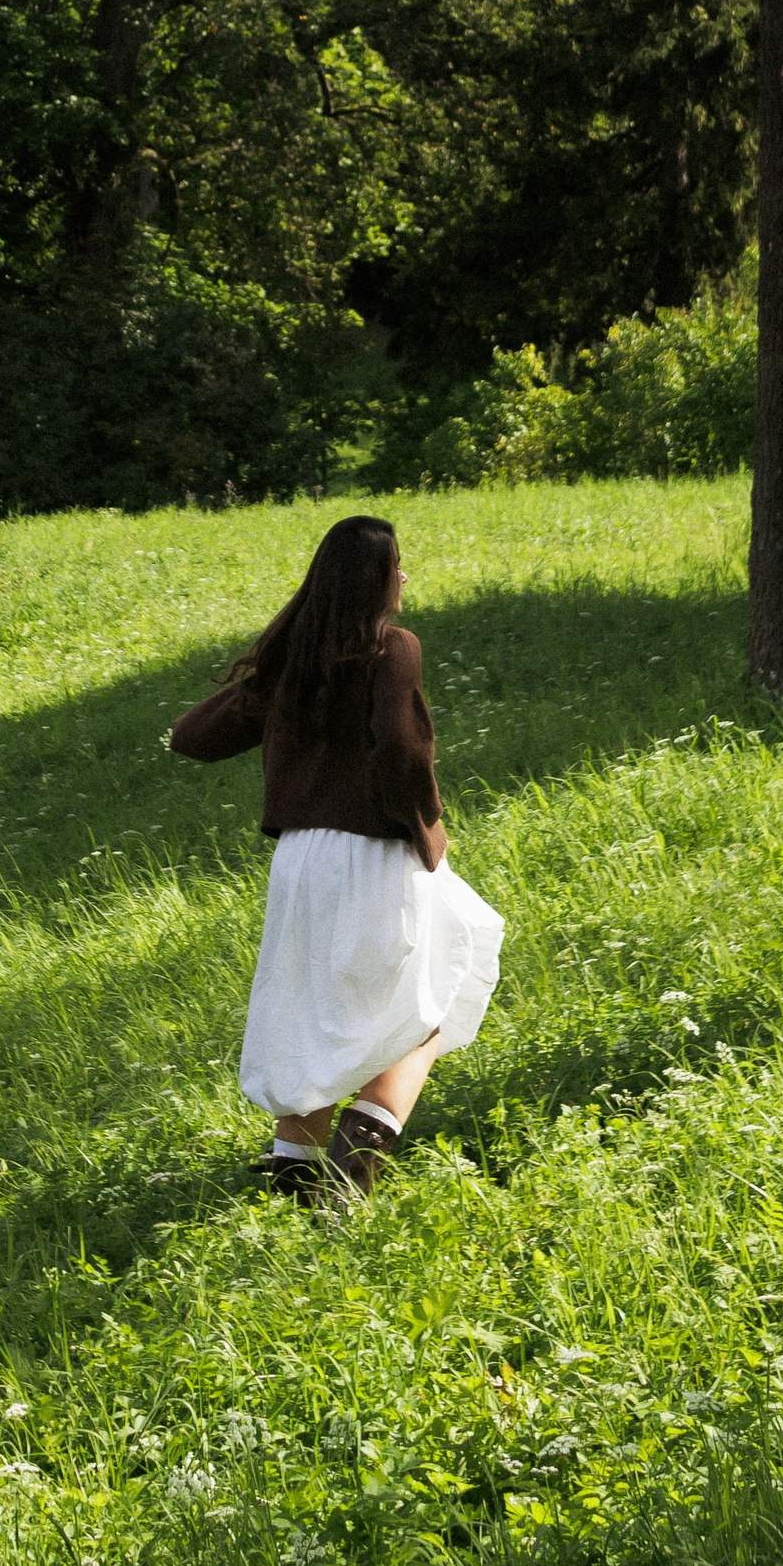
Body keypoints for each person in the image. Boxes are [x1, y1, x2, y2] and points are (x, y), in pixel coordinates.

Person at [169, 514, 503, 1199]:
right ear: (376, 579)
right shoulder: (392, 650)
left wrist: (266, 674)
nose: (404, 576)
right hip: (372, 854)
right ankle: (359, 1153)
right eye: (397, 565)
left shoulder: (297, 663)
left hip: (300, 862)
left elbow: (194, 737)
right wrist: (427, 830)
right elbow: (403, 750)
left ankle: (294, 1174)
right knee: (430, 997)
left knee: (316, 1012)